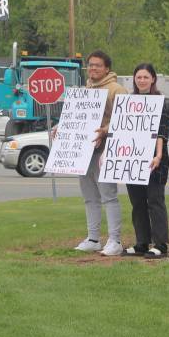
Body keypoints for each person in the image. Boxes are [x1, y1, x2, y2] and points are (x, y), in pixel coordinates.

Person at [74, 50, 128, 256]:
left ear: (107, 68)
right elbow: (77, 118)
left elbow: (126, 120)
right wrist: (63, 127)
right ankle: (93, 238)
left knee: (109, 196)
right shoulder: (85, 89)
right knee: (89, 197)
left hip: (105, 150)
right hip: (84, 150)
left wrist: (105, 131)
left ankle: (115, 240)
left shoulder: (117, 90)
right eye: (90, 64)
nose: (93, 68)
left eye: (97, 65)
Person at [123, 63, 169, 259]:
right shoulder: (128, 102)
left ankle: (160, 244)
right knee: (137, 202)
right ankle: (142, 242)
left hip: (154, 160)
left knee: (155, 201)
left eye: (145, 77)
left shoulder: (160, 102)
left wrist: (158, 156)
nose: (142, 80)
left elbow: (162, 132)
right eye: (138, 77)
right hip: (132, 158)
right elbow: (121, 131)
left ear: (153, 79)